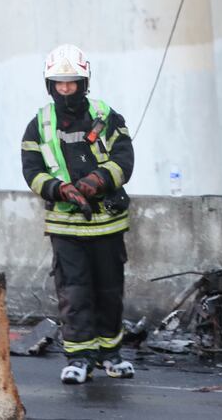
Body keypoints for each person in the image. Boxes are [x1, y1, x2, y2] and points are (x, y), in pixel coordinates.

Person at [21, 44, 135, 384]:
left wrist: (96, 181)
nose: (66, 88)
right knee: (74, 293)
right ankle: (79, 358)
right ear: (50, 84)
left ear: (84, 82)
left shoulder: (106, 115)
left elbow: (125, 159)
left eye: (72, 82)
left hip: (108, 224)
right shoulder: (39, 124)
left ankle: (111, 355)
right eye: (59, 82)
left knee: (109, 291)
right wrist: (61, 190)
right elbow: (32, 170)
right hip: (66, 226)